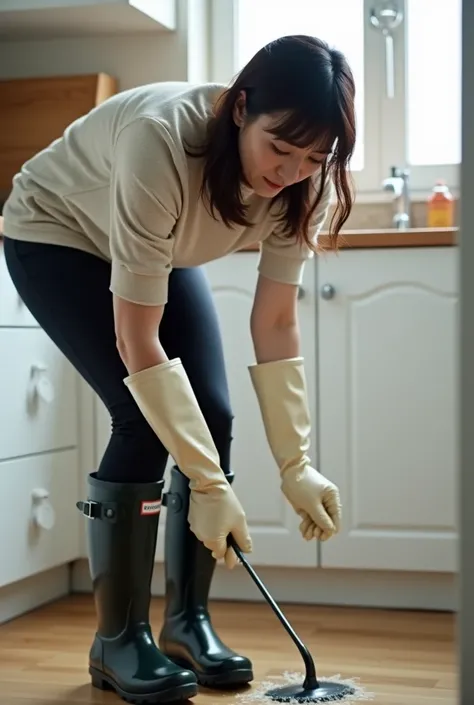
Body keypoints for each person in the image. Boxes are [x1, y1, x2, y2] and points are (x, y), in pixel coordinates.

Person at [2, 34, 356, 704]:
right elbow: (138, 340)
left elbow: (275, 321)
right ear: (239, 107)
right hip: (58, 232)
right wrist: (206, 479)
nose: (291, 170)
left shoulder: (302, 187)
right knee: (142, 415)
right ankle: (117, 638)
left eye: (315, 157)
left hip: (151, 247)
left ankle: (186, 622)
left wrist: (295, 463)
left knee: (211, 414)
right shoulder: (159, 140)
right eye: (280, 147)